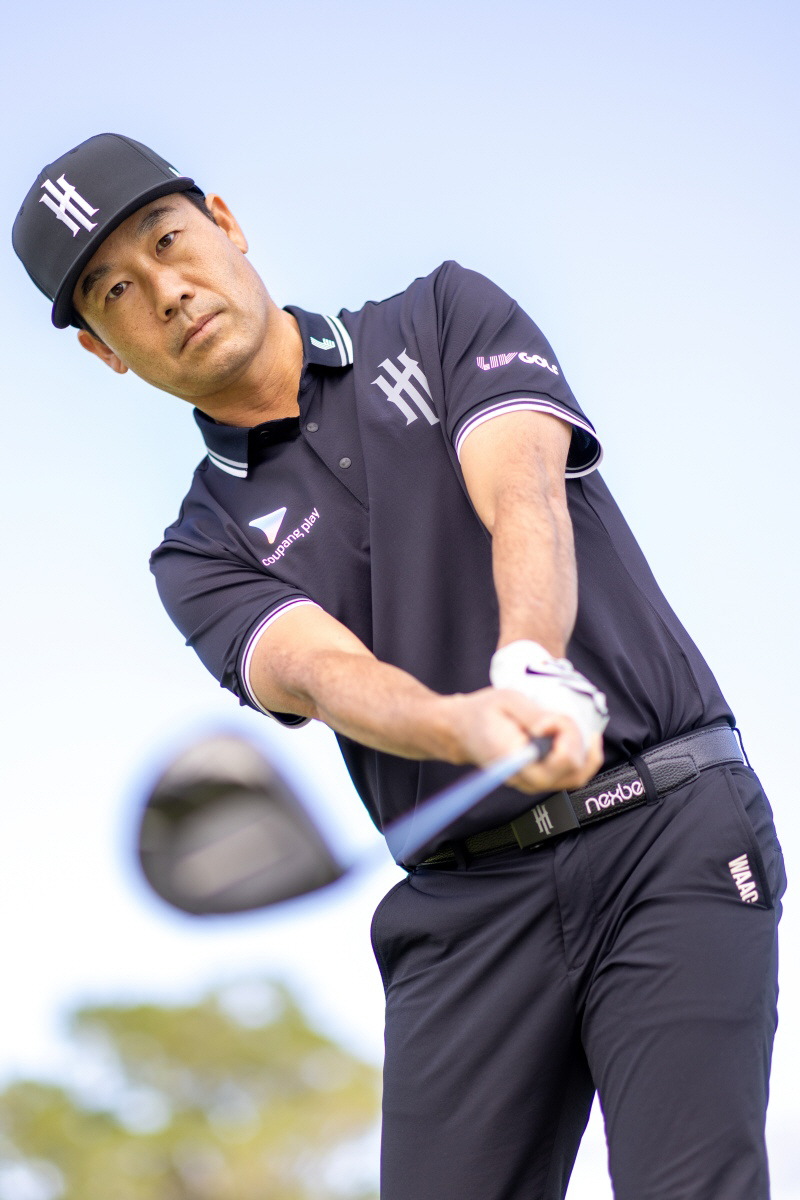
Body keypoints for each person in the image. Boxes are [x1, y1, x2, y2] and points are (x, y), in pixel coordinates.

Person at [13, 133, 785, 1200]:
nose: (167, 290)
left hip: (665, 825)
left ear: (226, 223)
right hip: (466, 909)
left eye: (168, 240)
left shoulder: (442, 315)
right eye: (116, 292)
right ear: (105, 351)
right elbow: (322, 672)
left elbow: (521, 489)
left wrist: (529, 664)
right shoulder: (198, 552)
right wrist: (466, 726)